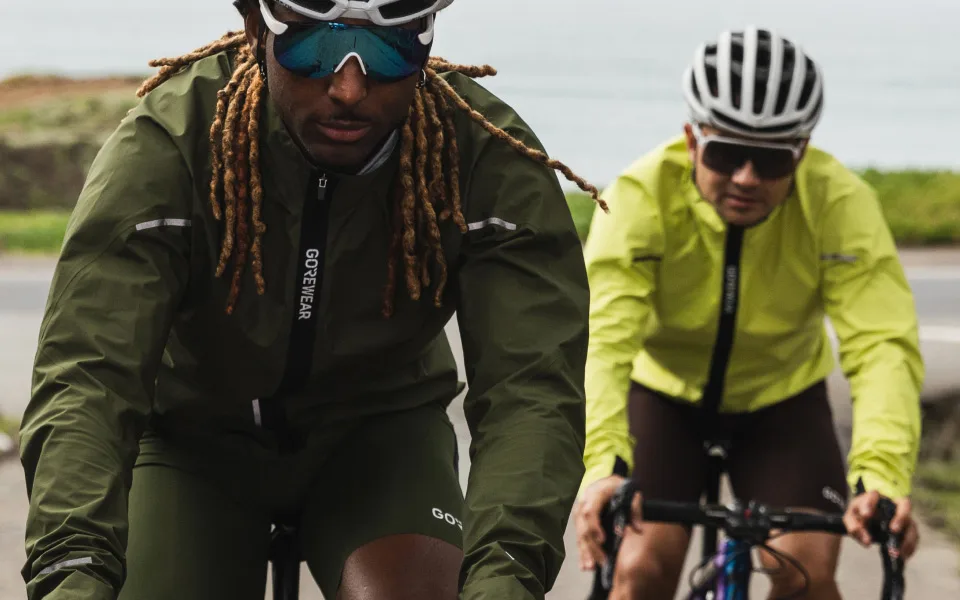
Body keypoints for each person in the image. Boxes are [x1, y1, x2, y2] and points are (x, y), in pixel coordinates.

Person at [18, 1, 604, 598]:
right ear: (256, 28)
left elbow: (531, 391)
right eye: (313, 45)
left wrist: (506, 574)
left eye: (388, 49)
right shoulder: (168, 145)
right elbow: (88, 375)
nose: (349, 88)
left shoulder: (487, 159)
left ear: (426, 44)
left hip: (381, 439)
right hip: (191, 440)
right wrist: (72, 566)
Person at [574, 25, 923, 599]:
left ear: (801, 153)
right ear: (691, 139)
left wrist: (880, 479)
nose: (746, 177)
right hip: (663, 397)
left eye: (771, 160)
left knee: (804, 572)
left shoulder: (839, 202)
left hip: (781, 401)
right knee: (640, 570)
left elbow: (882, 345)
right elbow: (602, 342)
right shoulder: (639, 197)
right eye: (726, 153)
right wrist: (603, 469)